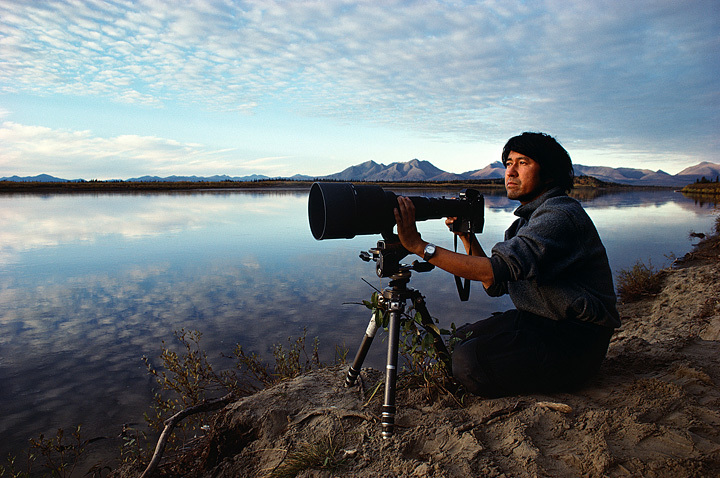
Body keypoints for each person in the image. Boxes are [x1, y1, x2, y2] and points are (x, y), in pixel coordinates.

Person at [393, 132, 620, 397]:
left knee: (469, 364)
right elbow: (495, 284)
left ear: (549, 173)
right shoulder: (523, 223)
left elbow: (491, 269)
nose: (510, 172)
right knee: (454, 341)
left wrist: (420, 247)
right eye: (508, 163)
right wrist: (466, 236)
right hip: (537, 320)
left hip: (576, 339)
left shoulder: (560, 215)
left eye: (523, 163)